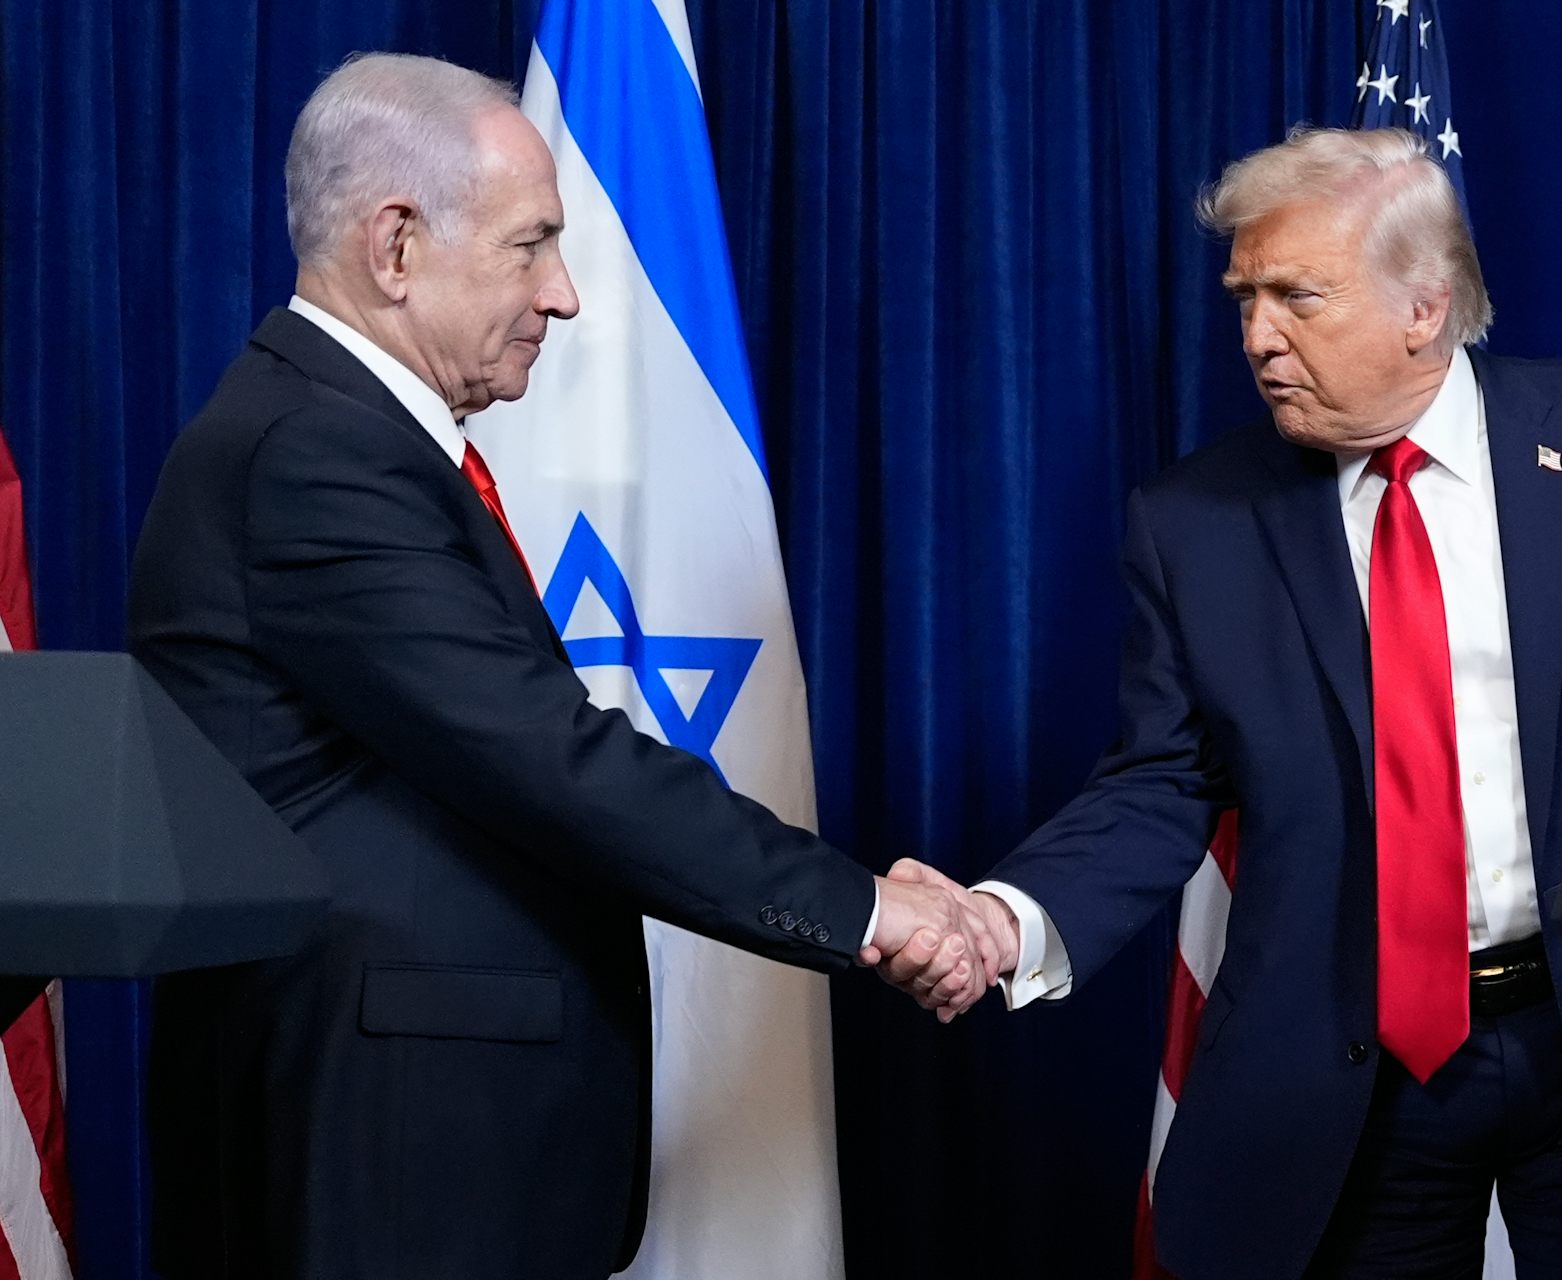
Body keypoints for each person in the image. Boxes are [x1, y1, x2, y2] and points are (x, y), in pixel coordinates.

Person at [891, 127, 1562, 1278]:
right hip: (1354, 1068)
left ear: (1424, 306)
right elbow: (1159, 781)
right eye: (1246, 296)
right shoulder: (1193, 522)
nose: (1257, 335)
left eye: (1297, 295)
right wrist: (1009, 915)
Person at [127, 53, 989, 1280]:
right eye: (531, 245)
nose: (568, 294)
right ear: (396, 247)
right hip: (382, 1154)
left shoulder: (345, 438)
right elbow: (550, 757)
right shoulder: (312, 456)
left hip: (429, 1146)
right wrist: (869, 909)